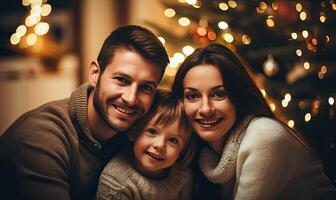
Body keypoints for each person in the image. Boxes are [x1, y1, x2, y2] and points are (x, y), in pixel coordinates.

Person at [0, 25, 169, 200]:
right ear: (95, 74)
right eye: (121, 80)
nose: (131, 99)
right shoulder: (41, 137)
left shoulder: (138, 134)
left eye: (146, 88)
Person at [171, 43, 336, 199]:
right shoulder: (199, 151)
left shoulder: (265, 136)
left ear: (238, 96)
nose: (206, 109)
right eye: (192, 96)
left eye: (219, 94)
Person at [96, 90, 196, 200]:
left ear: (182, 150)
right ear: (133, 132)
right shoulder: (115, 179)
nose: (160, 145)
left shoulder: (183, 177)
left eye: (173, 140)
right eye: (152, 132)